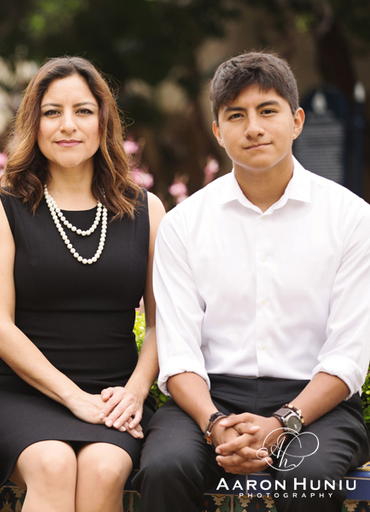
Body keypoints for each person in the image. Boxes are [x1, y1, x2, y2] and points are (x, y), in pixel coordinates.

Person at [133, 52, 370, 512]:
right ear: (218, 131)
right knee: (165, 467)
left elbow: (349, 353)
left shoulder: (352, 219)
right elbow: (179, 352)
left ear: (297, 120)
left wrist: (283, 422)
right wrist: (215, 423)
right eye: (235, 116)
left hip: (314, 402)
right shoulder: (185, 224)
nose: (254, 128)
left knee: (309, 477)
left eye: (268, 111)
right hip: (207, 398)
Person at [0, 56, 164, 512]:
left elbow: (162, 324)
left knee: (103, 469)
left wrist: (134, 392)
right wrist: (74, 398)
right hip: (19, 391)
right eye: (52, 112)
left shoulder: (146, 210)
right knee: (53, 465)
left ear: (104, 121)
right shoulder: (2, 209)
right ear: (33, 124)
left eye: (83, 111)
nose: (67, 125)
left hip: (113, 393)